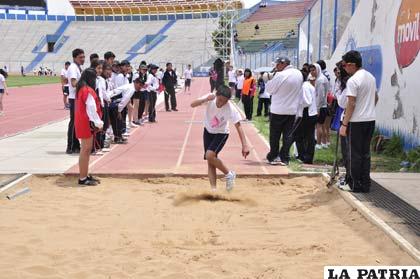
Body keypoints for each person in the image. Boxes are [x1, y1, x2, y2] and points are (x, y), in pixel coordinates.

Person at [190, 85, 249, 191]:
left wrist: (244, 145)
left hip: (221, 133)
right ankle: (214, 190)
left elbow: (238, 126)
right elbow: (192, 105)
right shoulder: (210, 98)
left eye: (225, 101)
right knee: (210, 161)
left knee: (209, 155)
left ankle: (229, 174)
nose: (221, 103)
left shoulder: (230, 108)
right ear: (216, 95)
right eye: (220, 100)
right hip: (208, 131)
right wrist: (205, 99)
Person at [339, 50, 378, 193]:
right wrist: (368, 110)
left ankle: (354, 184)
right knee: (365, 153)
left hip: (356, 122)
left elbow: (351, 104)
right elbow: (376, 97)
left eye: (344, 66)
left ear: (351, 65)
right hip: (370, 119)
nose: (344, 69)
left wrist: (344, 124)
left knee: (354, 153)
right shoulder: (371, 77)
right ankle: (365, 183)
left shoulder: (353, 80)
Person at [265, 57, 303, 165]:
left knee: (275, 135)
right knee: (288, 135)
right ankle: (285, 157)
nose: (276, 67)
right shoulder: (298, 73)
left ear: (282, 64)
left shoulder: (280, 75)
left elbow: (269, 89)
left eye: (277, 64)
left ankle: (273, 156)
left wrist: (270, 78)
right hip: (292, 109)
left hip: (278, 110)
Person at [74, 68, 103, 186]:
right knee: (85, 150)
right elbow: (91, 109)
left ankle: (85, 174)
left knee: (85, 149)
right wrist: (98, 123)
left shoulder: (82, 89)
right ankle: (82, 177)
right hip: (86, 122)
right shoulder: (87, 90)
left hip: (83, 121)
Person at [109, 78, 144, 144]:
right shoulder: (131, 89)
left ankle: (119, 136)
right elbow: (124, 100)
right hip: (113, 101)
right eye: (140, 85)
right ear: (136, 83)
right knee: (116, 121)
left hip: (115, 102)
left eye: (142, 86)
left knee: (119, 120)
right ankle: (117, 138)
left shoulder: (130, 86)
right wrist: (119, 111)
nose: (140, 88)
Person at [295, 73, 318, 164]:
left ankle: (303, 156)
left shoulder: (304, 86)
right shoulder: (309, 86)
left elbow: (307, 101)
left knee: (300, 136)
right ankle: (307, 157)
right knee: (309, 136)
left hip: (306, 113)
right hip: (312, 113)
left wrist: (299, 104)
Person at [66, 48, 85, 154]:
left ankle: (75, 145)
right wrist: (84, 80)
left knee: (76, 122)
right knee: (73, 122)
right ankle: (70, 146)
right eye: (80, 57)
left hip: (78, 98)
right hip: (74, 98)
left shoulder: (78, 67)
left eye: (83, 57)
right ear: (74, 58)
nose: (83, 59)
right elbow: (73, 83)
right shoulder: (73, 68)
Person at [309, 63, 329, 150]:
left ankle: (318, 143)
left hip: (320, 106)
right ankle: (324, 142)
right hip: (323, 105)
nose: (312, 72)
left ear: (318, 69)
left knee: (319, 126)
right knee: (323, 125)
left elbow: (320, 95)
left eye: (313, 70)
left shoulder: (320, 80)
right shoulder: (321, 78)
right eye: (311, 70)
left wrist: (317, 108)